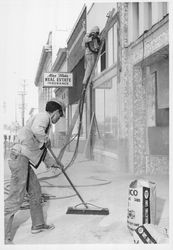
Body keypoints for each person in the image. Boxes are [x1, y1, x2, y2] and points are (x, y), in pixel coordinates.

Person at [4, 99, 65, 244]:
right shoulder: (44, 117)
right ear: (56, 112)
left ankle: (37, 225)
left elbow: (41, 151)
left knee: (35, 191)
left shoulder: (44, 122)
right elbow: (38, 132)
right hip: (20, 159)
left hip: (23, 158)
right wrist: (46, 139)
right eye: (59, 116)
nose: (58, 119)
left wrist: (54, 164)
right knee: (16, 197)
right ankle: (3, 236)